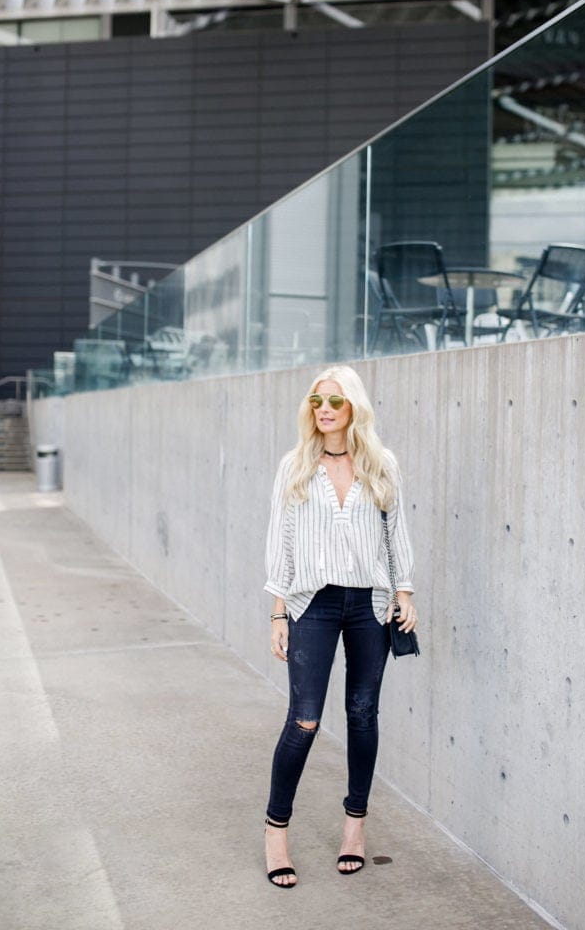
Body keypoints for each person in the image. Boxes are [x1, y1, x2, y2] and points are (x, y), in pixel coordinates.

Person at [263, 365, 417, 888]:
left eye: (334, 400)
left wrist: (405, 591)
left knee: (362, 714)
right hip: (313, 604)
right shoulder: (294, 466)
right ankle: (275, 832)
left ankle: (355, 828)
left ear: (354, 407)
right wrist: (278, 612)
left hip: (370, 603)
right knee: (304, 720)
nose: (324, 409)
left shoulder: (381, 463)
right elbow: (279, 540)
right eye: (316, 401)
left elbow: (396, 532)